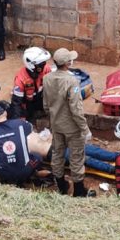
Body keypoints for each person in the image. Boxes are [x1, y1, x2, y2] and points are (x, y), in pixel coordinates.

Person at [43, 48, 91, 197]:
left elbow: (46, 105)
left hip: (56, 125)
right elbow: (76, 109)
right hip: (72, 128)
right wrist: (85, 129)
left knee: (57, 155)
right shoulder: (72, 81)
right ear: (68, 63)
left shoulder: (47, 78)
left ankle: (61, 186)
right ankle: (79, 191)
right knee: (76, 157)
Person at [0, 103, 47, 187]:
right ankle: (27, 176)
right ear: (5, 113)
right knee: (37, 156)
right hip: (24, 171)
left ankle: (7, 179)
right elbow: (31, 128)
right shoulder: (19, 123)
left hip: (3, 173)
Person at [11, 47, 54, 121]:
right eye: (41, 63)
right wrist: (17, 122)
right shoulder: (20, 79)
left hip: (41, 98)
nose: (44, 64)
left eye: (44, 62)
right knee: (26, 117)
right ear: (32, 65)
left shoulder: (46, 69)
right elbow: (17, 103)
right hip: (27, 102)